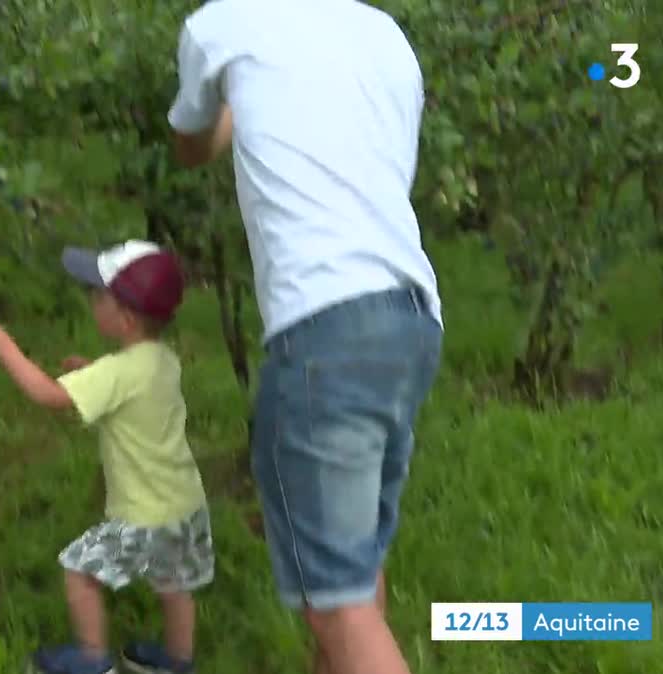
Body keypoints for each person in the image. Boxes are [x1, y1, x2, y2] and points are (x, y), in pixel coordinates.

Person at [165, 1, 444, 673]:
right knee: (352, 569)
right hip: (411, 317)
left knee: (335, 604)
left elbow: (189, 145)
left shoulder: (221, 25)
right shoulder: (384, 34)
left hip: (324, 329)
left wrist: (235, 100)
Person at [0, 240, 214, 674]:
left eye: (99, 296)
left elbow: (48, 395)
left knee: (78, 571)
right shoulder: (162, 360)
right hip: (186, 507)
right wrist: (92, 371)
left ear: (127, 317)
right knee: (174, 585)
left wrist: (2, 344)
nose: (92, 301)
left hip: (143, 515)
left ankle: (93, 662)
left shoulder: (116, 373)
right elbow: (130, 394)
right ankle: (177, 663)